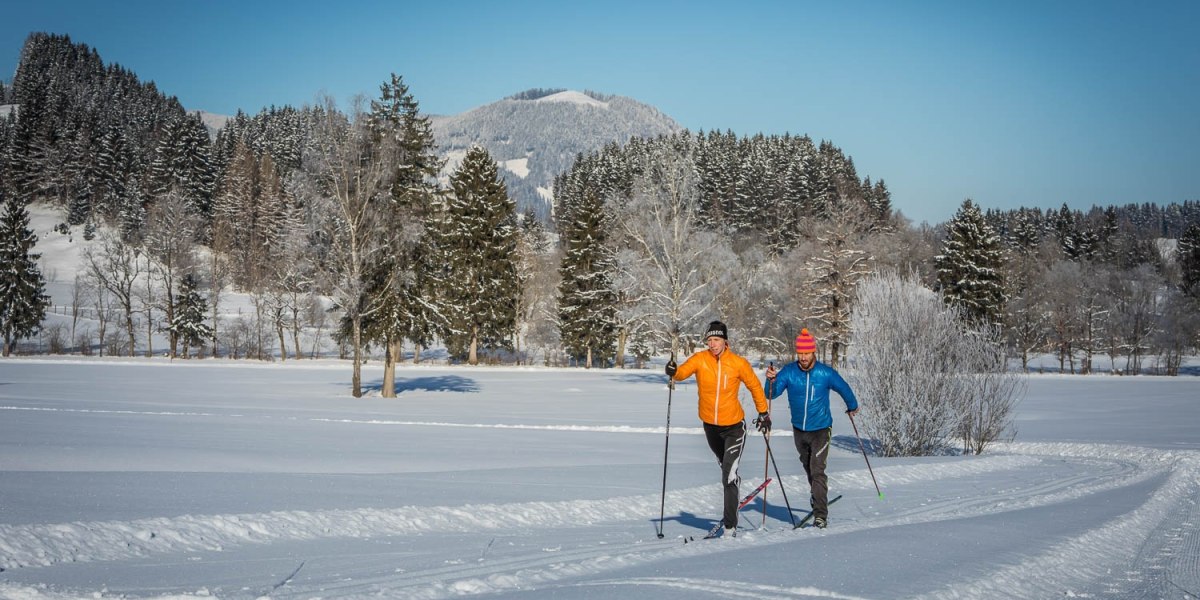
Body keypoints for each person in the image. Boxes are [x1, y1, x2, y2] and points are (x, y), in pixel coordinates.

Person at [665, 320, 769, 537]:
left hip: (734, 427)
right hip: (711, 428)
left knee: (728, 476)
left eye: (716, 340)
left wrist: (763, 413)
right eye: (710, 340)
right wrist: (673, 371)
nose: (712, 344)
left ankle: (730, 527)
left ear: (725, 341)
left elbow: (754, 386)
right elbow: (682, 373)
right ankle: (733, 482)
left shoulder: (738, 363)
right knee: (726, 471)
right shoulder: (700, 360)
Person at [764, 328, 858, 529]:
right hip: (799, 430)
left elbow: (843, 387)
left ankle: (820, 514)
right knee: (808, 468)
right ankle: (816, 495)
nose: (804, 357)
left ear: (813, 352)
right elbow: (771, 394)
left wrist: (852, 406)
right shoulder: (789, 372)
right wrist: (770, 379)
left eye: (807, 353)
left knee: (817, 470)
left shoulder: (825, 373)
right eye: (801, 353)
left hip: (821, 429)